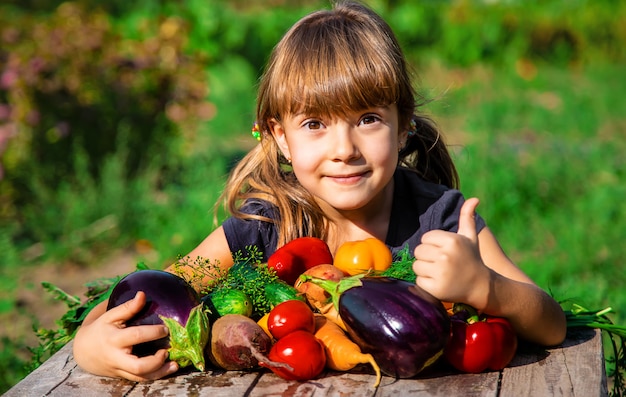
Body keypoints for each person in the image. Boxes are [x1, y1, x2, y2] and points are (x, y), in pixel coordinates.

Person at [73, 0, 567, 381]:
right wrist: (88, 345)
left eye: (368, 119)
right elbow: (156, 289)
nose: (344, 149)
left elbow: (551, 325)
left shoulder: (440, 220)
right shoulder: (261, 227)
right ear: (279, 137)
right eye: (314, 124)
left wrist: (487, 287)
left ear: (403, 126)